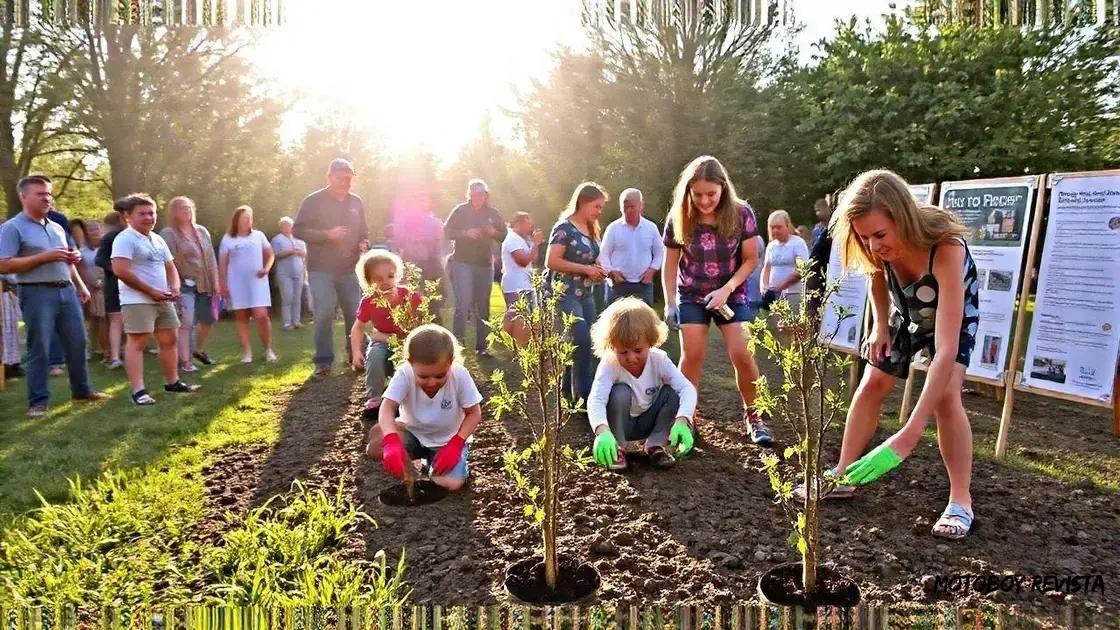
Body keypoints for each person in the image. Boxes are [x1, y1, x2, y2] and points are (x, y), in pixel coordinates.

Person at [808, 169, 979, 541]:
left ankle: (960, 500)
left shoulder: (945, 248)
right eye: (865, 237)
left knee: (947, 397)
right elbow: (875, 279)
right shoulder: (875, 245)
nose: (873, 246)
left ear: (903, 218)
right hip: (905, 312)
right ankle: (841, 475)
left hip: (950, 319)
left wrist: (909, 433)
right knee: (873, 380)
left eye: (880, 235)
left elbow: (946, 348)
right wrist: (880, 326)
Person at [661, 156, 770, 444]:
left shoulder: (741, 213)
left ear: (723, 188)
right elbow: (670, 264)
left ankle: (754, 415)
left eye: (711, 194)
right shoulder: (679, 217)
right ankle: (687, 417)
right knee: (692, 356)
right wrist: (670, 302)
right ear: (689, 191)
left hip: (731, 295)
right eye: (698, 195)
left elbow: (750, 260)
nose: (705, 200)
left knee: (742, 354)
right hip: (692, 295)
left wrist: (727, 288)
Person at [0, 176, 106, 416]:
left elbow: (66, 258)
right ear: (23, 197)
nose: (47, 198)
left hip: (66, 290)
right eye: (40, 194)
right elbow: (4, 265)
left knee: (78, 342)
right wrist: (43, 257)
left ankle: (82, 390)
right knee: (40, 347)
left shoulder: (57, 226)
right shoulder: (12, 228)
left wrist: (79, 282)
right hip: (36, 291)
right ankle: (38, 402)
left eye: (49, 194)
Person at [587, 297, 698, 471]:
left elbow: (686, 388)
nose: (631, 358)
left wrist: (683, 420)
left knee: (672, 392)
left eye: (638, 350)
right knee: (620, 392)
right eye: (623, 352)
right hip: (621, 423)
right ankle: (617, 448)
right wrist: (601, 431)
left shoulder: (659, 359)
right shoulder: (610, 364)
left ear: (650, 341)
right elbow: (596, 398)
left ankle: (655, 445)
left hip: (649, 421)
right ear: (611, 346)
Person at [110, 193, 200, 405]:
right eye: (142, 213)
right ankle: (138, 391)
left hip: (163, 299)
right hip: (137, 300)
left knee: (170, 340)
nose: (149, 217)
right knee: (138, 342)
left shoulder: (157, 239)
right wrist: (151, 291)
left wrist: (175, 287)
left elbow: (170, 267)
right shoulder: (125, 238)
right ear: (128, 217)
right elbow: (120, 271)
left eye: (151, 213)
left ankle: (172, 382)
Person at [370, 324, 483, 491]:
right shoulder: (404, 373)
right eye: (423, 376)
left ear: (450, 363)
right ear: (410, 364)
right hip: (413, 434)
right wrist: (391, 441)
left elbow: (474, 413)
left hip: (447, 442)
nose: (431, 382)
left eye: (440, 375)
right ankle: (416, 463)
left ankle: (437, 462)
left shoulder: (460, 375)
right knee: (377, 442)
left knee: (449, 483)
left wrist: (457, 444)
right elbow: (387, 407)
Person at [294, 158, 370, 376]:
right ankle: (323, 361)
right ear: (329, 177)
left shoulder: (356, 202)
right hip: (321, 268)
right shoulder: (313, 201)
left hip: (349, 267)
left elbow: (364, 231)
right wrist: (326, 235)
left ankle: (355, 355)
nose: (345, 182)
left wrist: (364, 242)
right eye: (341, 178)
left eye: (349, 178)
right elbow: (299, 230)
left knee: (355, 314)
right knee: (324, 312)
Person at [546, 182, 608, 402]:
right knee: (580, 337)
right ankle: (585, 397)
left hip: (586, 294)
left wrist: (600, 270)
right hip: (565, 293)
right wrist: (586, 269)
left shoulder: (591, 229)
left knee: (588, 342)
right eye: (597, 206)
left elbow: (594, 258)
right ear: (582, 202)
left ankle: (568, 391)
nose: (599, 212)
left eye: (601, 207)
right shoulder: (564, 228)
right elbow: (551, 261)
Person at [349, 250, 421, 417]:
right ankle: (375, 398)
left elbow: (422, 324)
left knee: (405, 364)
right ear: (368, 281)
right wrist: (356, 352)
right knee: (375, 354)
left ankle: (402, 399)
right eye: (378, 279)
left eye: (390, 276)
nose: (386, 282)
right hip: (383, 343)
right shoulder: (369, 300)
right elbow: (357, 328)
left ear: (397, 275)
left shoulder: (408, 296)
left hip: (408, 343)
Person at [443, 179, 507, 356]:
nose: (477, 197)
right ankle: (457, 345)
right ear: (469, 195)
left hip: (484, 264)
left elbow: (505, 235)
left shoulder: (493, 213)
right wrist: (465, 233)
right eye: (473, 195)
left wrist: (494, 233)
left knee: (483, 304)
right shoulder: (460, 210)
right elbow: (446, 231)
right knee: (462, 304)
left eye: (480, 194)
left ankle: (482, 346)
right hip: (462, 262)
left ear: (486, 195)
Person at [161, 197, 220, 372]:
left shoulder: (202, 231)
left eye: (188, 208)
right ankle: (186, 362)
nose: (186, 211)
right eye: (181, 208)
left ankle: (197, 350)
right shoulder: (168, 233)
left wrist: (216, 282)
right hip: (183, 284)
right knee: (186, 322)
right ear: (174, 212)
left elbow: (211, 259)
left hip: (205, 283)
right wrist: (173, 285)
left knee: (208, 319)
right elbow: (166, 262)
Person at [219, 205, 276, 364]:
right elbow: (223, 263)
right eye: (244, 218)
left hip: (257, 281)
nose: (247, 221)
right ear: (236, 220)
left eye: (249, 218)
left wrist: (266, 269)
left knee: (261, 316)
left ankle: (268, 349)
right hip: (236, 282)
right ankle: (247, 352)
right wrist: (223, 284)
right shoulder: (228, 239)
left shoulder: (258, 236)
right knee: (241, 317)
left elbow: (270, 254)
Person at [600, 188, 664, 305]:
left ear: (641, 205)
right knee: (615, 322)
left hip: (643, 285)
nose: (628, 210)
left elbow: (660, 252)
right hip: (618, 285)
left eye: (632, 207)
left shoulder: (651, 228)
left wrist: (652, 270)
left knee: (644, 322)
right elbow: (604, 254)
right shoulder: (613, 228)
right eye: (625, 207)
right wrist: (611, 272)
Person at [499, 212, 542, 344]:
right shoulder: (512, 239)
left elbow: (533, 259)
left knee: (517, 316)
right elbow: (522, 261)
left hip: (524, 284)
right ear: (518, 224)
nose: (530, 227)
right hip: (515, 285)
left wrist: (535, 245)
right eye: (527, 224)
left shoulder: (522, 239)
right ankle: (518, 346)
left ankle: (508, 342)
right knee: (518, 317)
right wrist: (535, 244)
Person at [761, 210, 810, 318]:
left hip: (793, 294)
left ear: (787, 226)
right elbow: (766, 268)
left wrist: (782, 285)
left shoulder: (798, 243)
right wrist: (765, 288)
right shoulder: (771, 246)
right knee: (774, 330)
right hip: (773, 296)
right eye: (772, 227)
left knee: (791, 329)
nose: (775, 230)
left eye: (779, 227)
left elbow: (802, 269)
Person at [71, 219, 108, 361]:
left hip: (107, 287)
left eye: (97, 229)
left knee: (107, 319)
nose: (95, 232)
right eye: (91, 229)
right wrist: (91, 283)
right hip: (90, 288)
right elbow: (81, 269)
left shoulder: (107, 247)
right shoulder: (82, 251)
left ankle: (109, 349)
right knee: (93, 319)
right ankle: (96, 348)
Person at [271, 216, 308, 331]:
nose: (287, 228)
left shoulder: (299, 239)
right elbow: (274, 255)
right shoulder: (277, 239)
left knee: (297, 297)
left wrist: (300, 252)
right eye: (285, 226)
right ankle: (287, 322)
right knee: (287, 296)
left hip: (299, 271)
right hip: (284, 272)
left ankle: (296, 321)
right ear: (281, 227)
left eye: (289, 226)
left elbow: (305, 254)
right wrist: (289, 252)